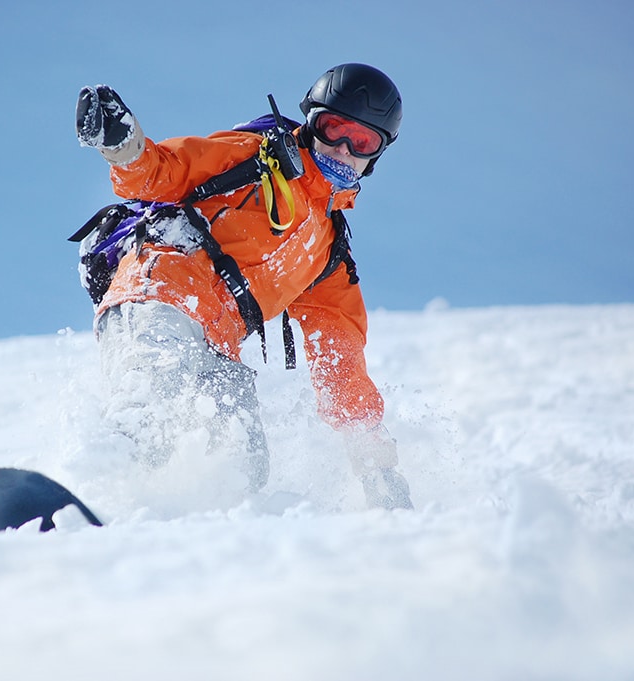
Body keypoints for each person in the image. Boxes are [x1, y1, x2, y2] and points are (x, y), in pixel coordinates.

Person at [75, 63, 412, 510]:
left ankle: (176, 526)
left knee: (242, 463)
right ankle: (86, 496)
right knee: (151, 403)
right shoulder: (257, 156)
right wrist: (124, 147)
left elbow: (341, 358)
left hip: (217, 343)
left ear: (376, 155)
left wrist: (375, 463)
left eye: (363, 141)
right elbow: (166, 171)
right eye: (334, 129)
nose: (344, 149)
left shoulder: (326, 252)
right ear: (312, 123)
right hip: (160, 291)